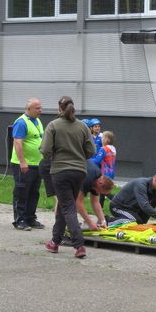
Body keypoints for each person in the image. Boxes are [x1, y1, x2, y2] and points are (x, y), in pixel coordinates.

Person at [40, 96, 96, 258]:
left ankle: (79, 245)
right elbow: (91, 150)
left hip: (60, 171)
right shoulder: (83, 126)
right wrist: (79, 156)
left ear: (59, 108)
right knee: (65, 206)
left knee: (68, 207)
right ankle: (55, 242)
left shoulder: (53, 125)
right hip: (79, 171)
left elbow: (45, 150)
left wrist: (52, 157)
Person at [10, 97, 44, 231]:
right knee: (21, 192)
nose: (40, 110)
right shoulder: (21, 122)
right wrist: (22, 162)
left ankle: (30, 218)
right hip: (24, 165)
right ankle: (20, 220)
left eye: (40, 108)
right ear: (28, 109)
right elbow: (17, 142)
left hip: (37, 164)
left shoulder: (37, 121)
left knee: (34, 192)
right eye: (37, 108)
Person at [75, 160, 114, 231]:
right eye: (101, 192)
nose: (100, 194)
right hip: (61, 170)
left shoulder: (97, 178)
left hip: (76, 172)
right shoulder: (87, 179)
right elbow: (78, 203)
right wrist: (90, 223)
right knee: (63, 202)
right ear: (100, 183)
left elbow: (95, 202)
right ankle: (60, 230)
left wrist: (103, 221)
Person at [90, 130, 117, 207]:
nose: (101, 140)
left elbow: (97, 161)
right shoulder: (113, 148)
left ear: (106, 139)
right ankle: (100, 207)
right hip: (111, 172)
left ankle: (117, 200)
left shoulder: (104, 149)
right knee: (102, 189)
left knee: (103, 191)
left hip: (105, 172)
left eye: (102, 138)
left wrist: (88, 160)